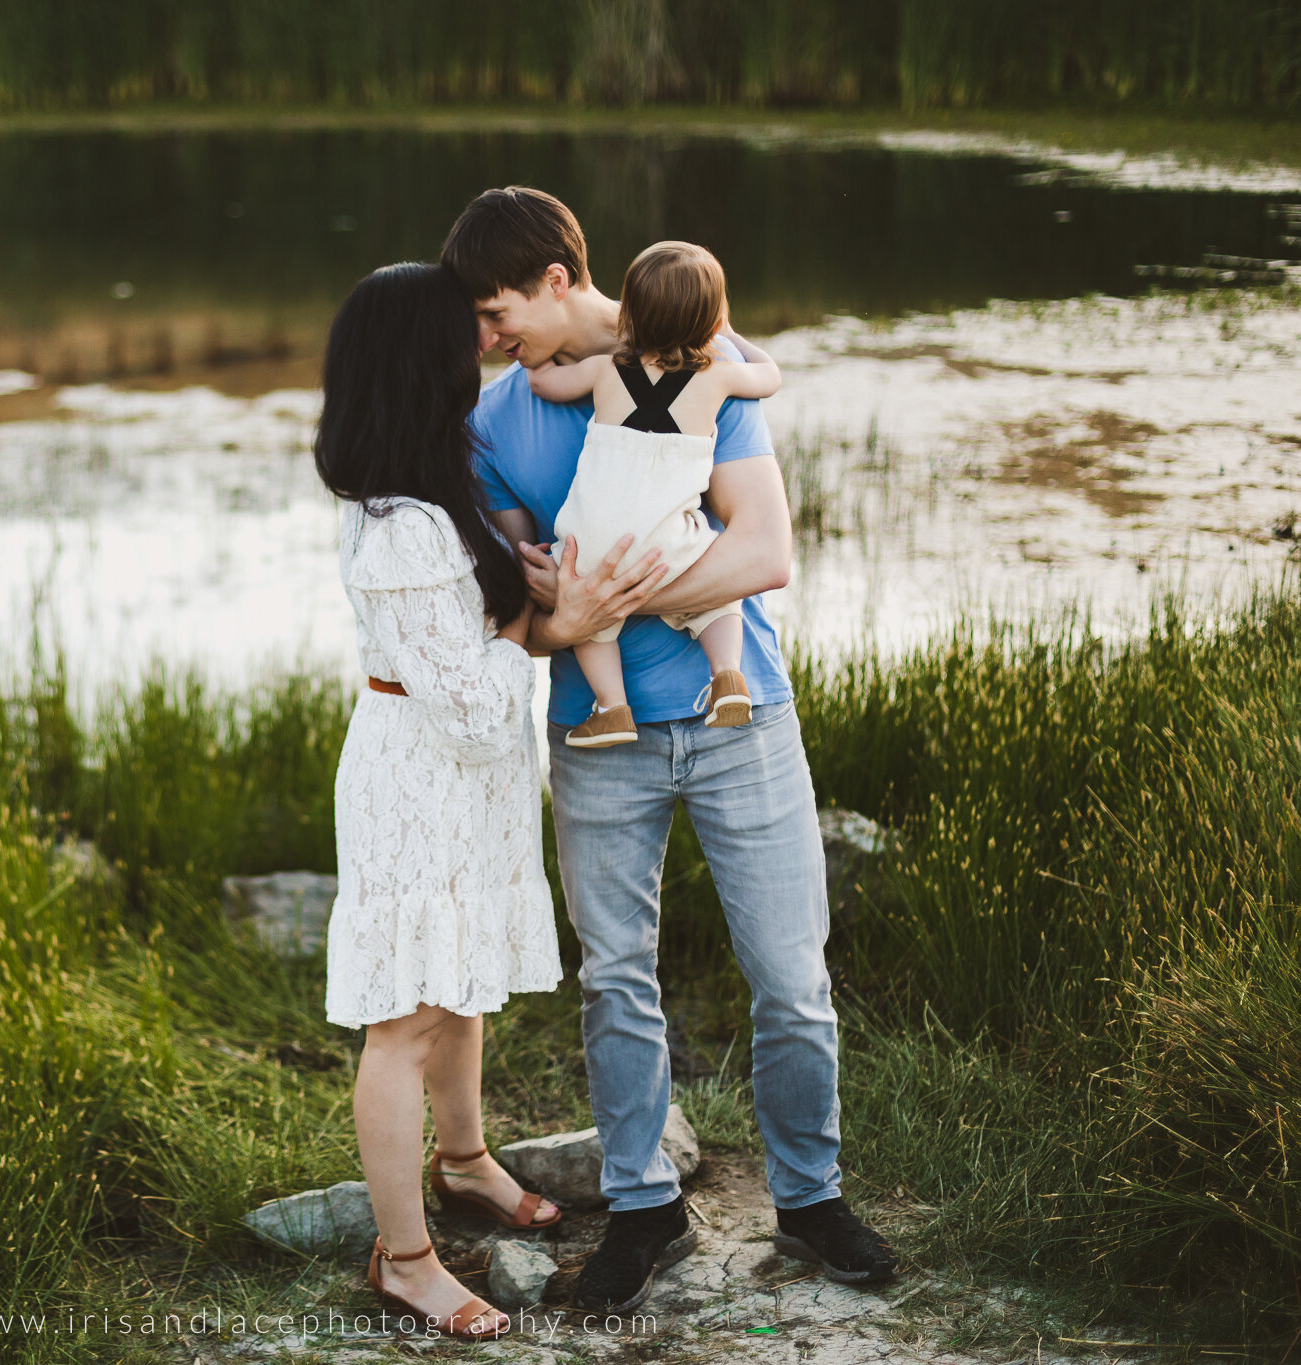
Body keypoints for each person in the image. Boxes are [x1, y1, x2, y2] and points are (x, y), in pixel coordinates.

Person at [441, 187, 899, 1310]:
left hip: (739, 717)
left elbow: (762, 553)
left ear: (558, 280)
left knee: (790, 978)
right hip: (596, 738)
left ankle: (809, 1198)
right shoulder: (493, 425)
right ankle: (643, 1210)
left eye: (498, 314)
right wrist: (562, 606)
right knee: (615, 983)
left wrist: (613, 599)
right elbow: (529, 609)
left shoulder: (701, 355)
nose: (489, 339)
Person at [314, 261, 567, 1341]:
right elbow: (467, 707)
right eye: (461, 333)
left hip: (461, 778)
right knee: (405, 1018)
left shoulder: (433, 483)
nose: (478, 347)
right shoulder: (400, 525)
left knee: (459, 980)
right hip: (420, 774)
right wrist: (528, 623)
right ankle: (405, 1260)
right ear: (422, 360)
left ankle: (462, 1162)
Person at [526, 240, 782, 747]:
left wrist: (537, 359)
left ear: (630, 315)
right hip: (668, 541)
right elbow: (770, 376)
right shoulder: (720, 375)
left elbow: (545, 385)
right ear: (709, 321)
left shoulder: (604, 369)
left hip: (594, 543)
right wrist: (732, 337)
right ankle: (727, 675)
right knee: (719, 600)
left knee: (593, 622)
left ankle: (612, 707)